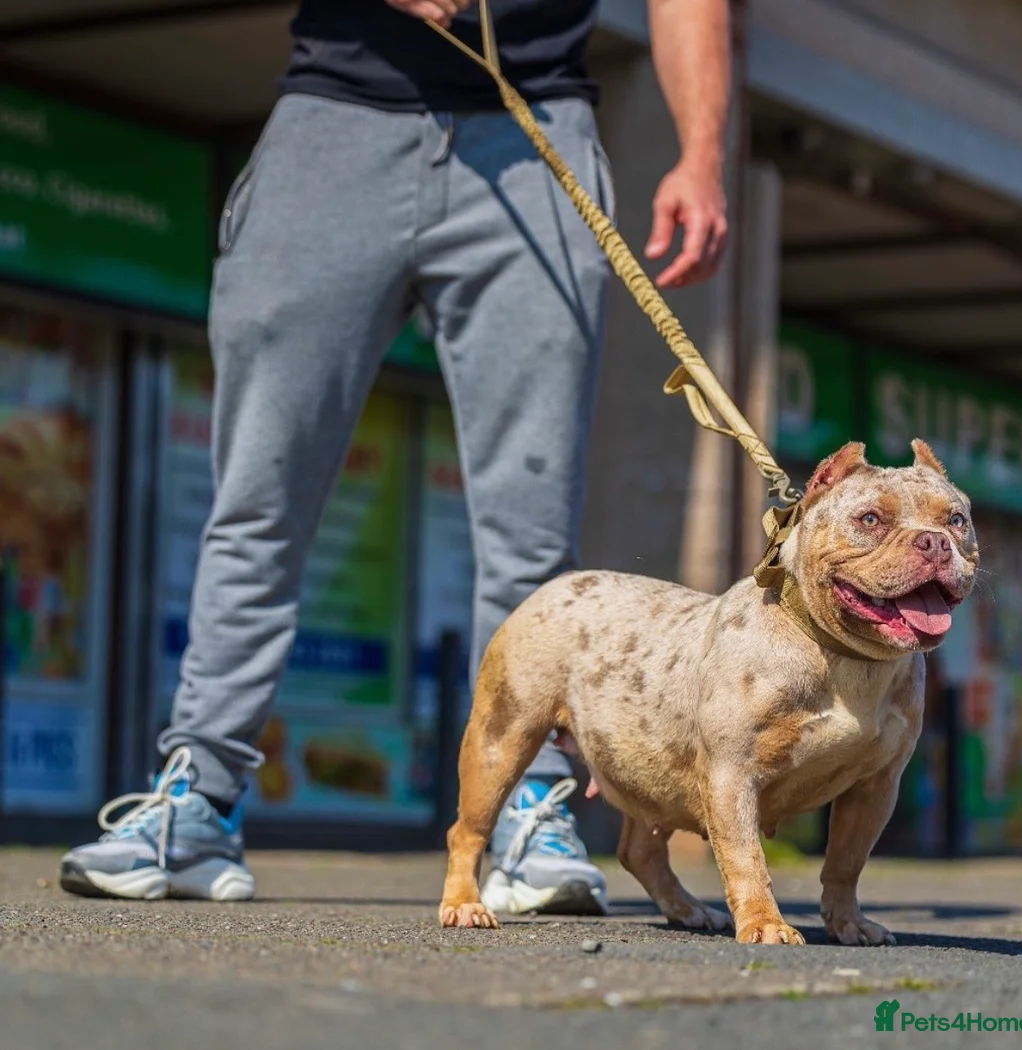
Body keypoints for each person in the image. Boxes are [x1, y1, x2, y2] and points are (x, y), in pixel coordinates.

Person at [59, 0, 732, 911]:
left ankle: (526, 815)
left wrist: (700, 150)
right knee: (260, 498)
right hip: (335, 123)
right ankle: (198, 800)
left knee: (529, 533)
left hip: (534, 128)